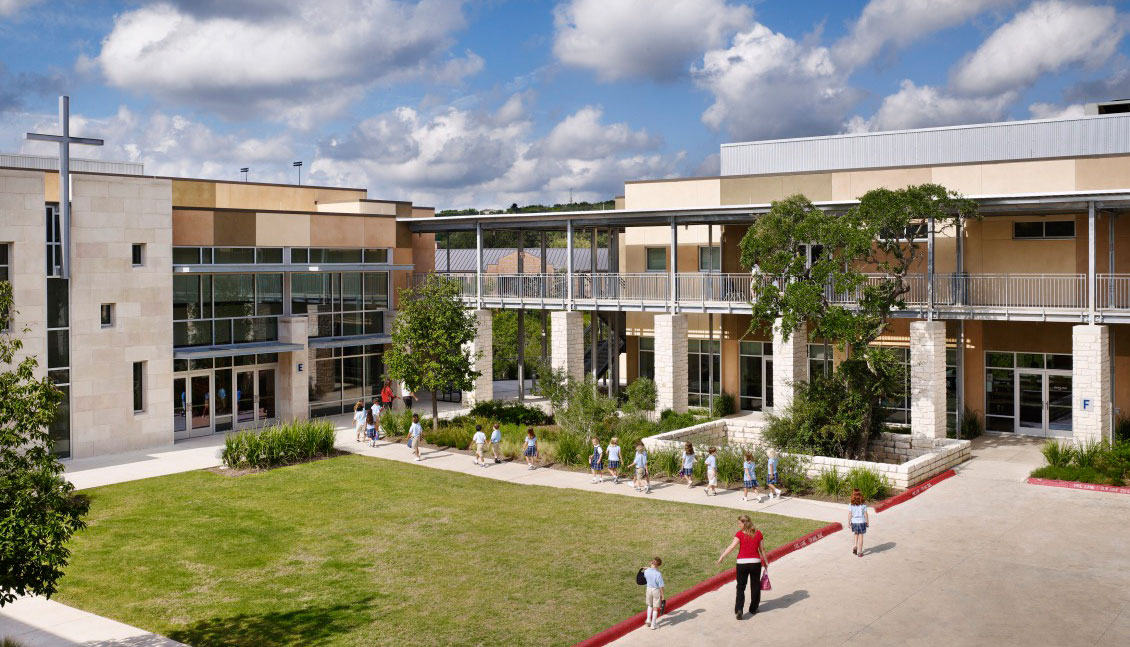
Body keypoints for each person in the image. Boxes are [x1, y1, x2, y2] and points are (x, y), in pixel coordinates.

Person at [717, 514, 770, 620]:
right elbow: (762, 549)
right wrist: (765, 561)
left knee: (741, 587)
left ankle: (739, 609)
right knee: (755, 586)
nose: (738, 525)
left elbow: (732, 546)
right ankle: (753, 608)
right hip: (755, 563)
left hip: (742, 563)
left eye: (739, 523)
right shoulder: (758, 533)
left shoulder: (739, 534)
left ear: (744, 523)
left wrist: (722, 556)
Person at [642, 557, 666, 630]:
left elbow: (649, 571)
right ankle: (653, 624)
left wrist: (647, 568)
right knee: (655, 608)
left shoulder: (646, 571)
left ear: (652, 563)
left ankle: (648, 619)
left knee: (650, 605)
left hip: (648, 589)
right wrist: (662, 595)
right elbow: (661, 586)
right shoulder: (658, 574)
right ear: (658, 565)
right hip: (656, 590)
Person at [849, 489, 870, 557]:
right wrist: (867, 522)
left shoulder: (851, 505)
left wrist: (848, 522)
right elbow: (866, 514)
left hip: (854, 522)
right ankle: (860, 552)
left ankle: (855, 545)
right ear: (860, 495)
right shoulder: (863, 505)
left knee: (856, 534)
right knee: (861, 536)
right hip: (861, 522)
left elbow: (850, 514)